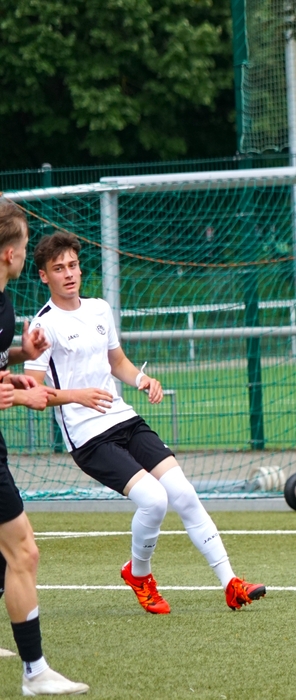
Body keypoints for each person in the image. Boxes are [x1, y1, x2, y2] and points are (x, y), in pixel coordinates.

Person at [24, 231, 266, 613]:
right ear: (43, 276)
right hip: (88, 437)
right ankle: (139, 575)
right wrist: (76, 395)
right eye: (58, 268)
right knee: (154, 499)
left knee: (183, 493)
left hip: (123, 418)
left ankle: (231, 583)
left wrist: (141, 379)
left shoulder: (99, 309)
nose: (68, 274)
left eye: (73, 265)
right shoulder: (42, 326)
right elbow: (32, 392)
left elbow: (116, 361)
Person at [0, 200, 90, 695]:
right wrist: (20, 395)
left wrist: (21, 359)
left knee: (9, 553)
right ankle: (35, 673)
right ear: (11, 253)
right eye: (26, 244)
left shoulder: (5, 304)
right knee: (24, 552)